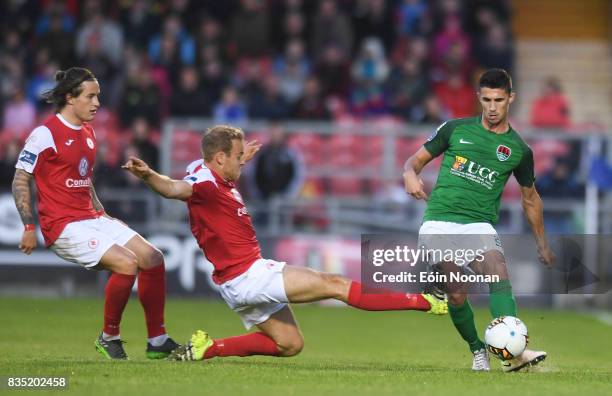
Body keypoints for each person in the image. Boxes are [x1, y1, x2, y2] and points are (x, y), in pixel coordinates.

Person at [122, 125, 448, 362]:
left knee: (290, 344)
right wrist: (150, 175)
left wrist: (241, 158)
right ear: (219, 158)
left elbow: (204, 168)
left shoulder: (212, 171)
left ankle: (208, 348)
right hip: (249, 275)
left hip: (235, 283)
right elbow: (173, 188)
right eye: (237, 156)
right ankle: (426, 302)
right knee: (333, 284)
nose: (242, 160)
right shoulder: (203, 183)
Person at [11, 67, 178, 360]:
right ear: (70, 98)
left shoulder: (88, 133)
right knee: (127, 264)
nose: (97, 103)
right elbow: (20, 178)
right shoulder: (45, 134)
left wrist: (102, 213)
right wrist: (28, 226)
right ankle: (108, 337)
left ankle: (157, 340)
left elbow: (84, 181)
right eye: (90, 96)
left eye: (98, 96)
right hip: (62, 226)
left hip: (91, 218)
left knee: (153, 258)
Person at [402, 69, 555, 372]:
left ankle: (514, 354)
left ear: (510, 98)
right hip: (439, 222)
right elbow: (414, 161)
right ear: (479, 98)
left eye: (499, 100)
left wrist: (542, 243)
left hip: (479, 224)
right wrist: (410, 175)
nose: (492, 107)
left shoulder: (519, 151)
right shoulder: (454, 129)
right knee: (457, 291)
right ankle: (478, 349)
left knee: (497, 270)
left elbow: (530, 198)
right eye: (486, 99)